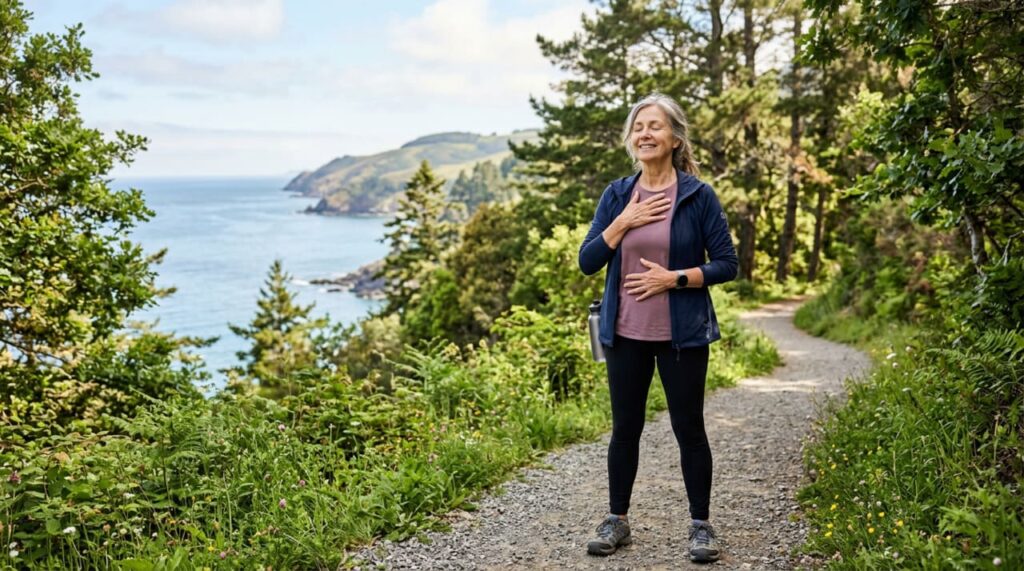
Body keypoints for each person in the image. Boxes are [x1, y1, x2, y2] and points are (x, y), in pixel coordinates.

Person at [577, 92, 738, 562]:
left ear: (674, 138)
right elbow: (588, 261)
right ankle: (617, 520)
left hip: (681, 336)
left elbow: (726, 264)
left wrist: (677, 279)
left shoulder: (697, 195)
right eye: (638, 127)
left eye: (655, 126)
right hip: (624, 332)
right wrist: (621, 223)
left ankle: (701, 526)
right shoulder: (616, 196)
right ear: (631, 140)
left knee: (689, 427)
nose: (645, 134)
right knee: (624, 428)